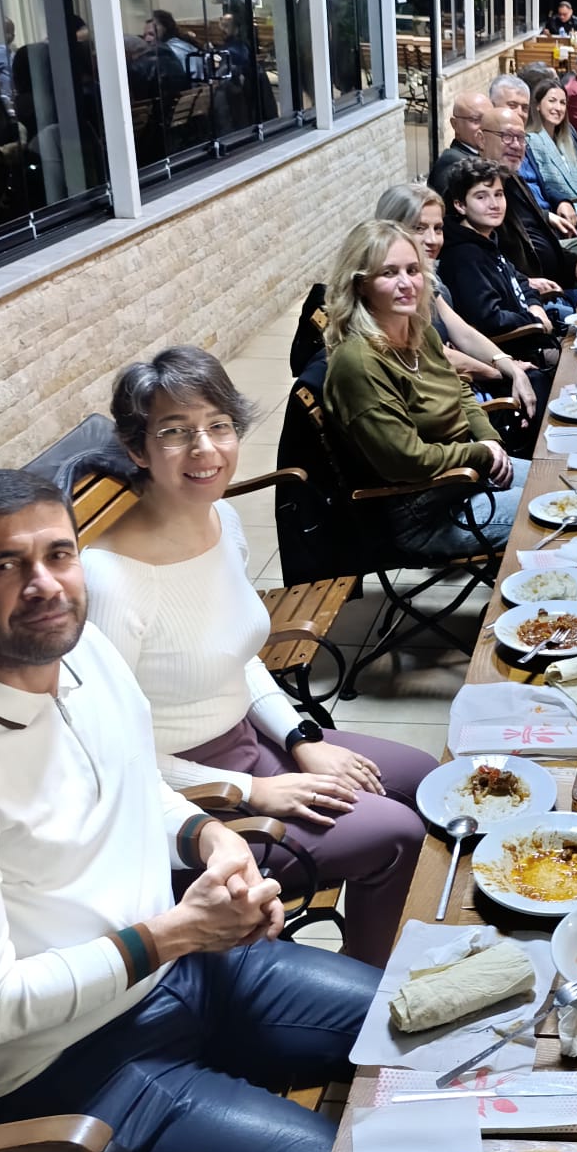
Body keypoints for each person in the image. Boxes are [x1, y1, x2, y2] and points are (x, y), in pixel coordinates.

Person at [0, 469, 374, 1152]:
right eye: (4, 566)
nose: (44, 585)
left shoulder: (87, 652)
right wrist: (176, 933)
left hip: (186, 973)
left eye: (59, 555)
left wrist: (212, 838)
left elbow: (137, 784)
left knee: (418, 1024)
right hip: (65, 1067)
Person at [82, 351, 433, 968]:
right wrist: (255, 790)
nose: (205, 449)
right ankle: (369, 987)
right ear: (137, 448)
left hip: (252, 740)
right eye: (175, 432)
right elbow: (108, 752)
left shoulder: (219, 518)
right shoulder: (110, 580)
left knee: (426, 778)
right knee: (396, 833)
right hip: (185, 792)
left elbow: (239, 654)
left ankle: (385, 943)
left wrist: (301, 739)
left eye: (218, 425)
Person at [324, 219, 530, 558]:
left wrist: (489, 440)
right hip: (424, 510)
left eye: (413, 270)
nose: (407, 283)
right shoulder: (359, 364)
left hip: (463, 477)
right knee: (557, 512)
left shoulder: (418, 331)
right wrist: (480, 454)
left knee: (562, 485)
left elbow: (460, 390)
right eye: (389, 273)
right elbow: (407, 460)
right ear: (361, 285)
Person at [375, 182, 541, 414]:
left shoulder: (426, 277)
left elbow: (462, 332)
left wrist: (509, 365)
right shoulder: (390, 291)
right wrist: (499, 371)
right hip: (436, 404)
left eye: (438, 228)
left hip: (460, 388)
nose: (432, 240)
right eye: (419, 228)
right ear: (392, 229)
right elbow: (430, 355)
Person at [437, 157, 559, 346]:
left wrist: (535, 306)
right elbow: (490, 320)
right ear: (460, 205)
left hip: (533, 330)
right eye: (481, 197)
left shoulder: (486, 237)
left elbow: (519, 280)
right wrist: (533, 320)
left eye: (499, 194)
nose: (494, 204)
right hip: (517, 349)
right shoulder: (464, 256)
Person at [486, 103, 577, 292]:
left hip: (559, 283)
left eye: (521, 138)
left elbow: (544, 240)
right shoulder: (480, 193)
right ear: (481, 139)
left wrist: (576, 264)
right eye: (507, 137)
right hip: (536, 297)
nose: (516, 145)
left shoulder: (514, 179)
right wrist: (524, 283)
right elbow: (488, 264)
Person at [526, 79, 577, 222]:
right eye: (552, 101)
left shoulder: (564, 139)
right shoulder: (532, 140)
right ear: (537, 105)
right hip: (565, 216)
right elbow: (547, 186)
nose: (558, 108)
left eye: (562, 103)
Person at [427, 90, 491, 186]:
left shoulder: (485, 155)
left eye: (489, 120)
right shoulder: (453, 162)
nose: (485, 126)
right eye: (476, 120)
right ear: (455, 124)